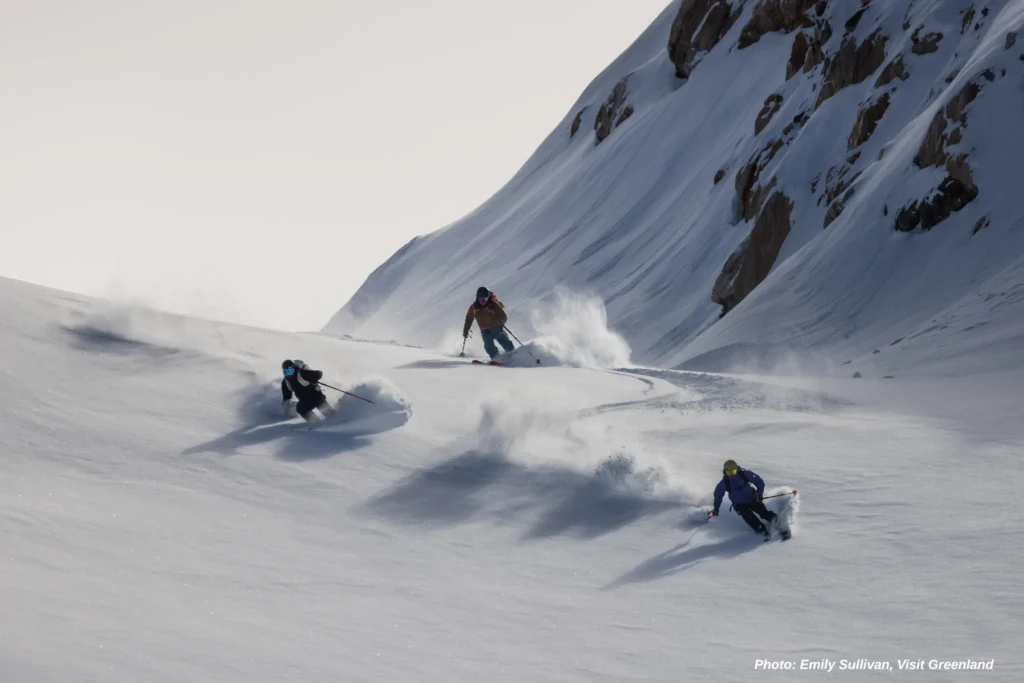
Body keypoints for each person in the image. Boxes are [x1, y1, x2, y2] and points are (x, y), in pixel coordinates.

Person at [708, 459, 779, 540]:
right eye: (729, 473)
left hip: (752, 499)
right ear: (725, 472)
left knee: (763, 512)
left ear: (737, 469)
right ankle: (762, 532)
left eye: (733, 472)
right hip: (739, 505)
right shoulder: (724, 482)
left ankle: (778, 522)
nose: (732, 475)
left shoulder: (744, 474)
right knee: (750, 519)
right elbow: (718, 495)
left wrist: (760, 494)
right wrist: (716, 508)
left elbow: (759, 481)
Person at [463, 286, 514, 359]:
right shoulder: (474, 307)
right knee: (488, 344)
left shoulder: (493, 304)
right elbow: (468, 319)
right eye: (481, 299)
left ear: (488, 297)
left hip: (495, 327)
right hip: (484, 330)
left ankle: (512, 353)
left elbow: (503, 316)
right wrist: (466, 330)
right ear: (477, 298)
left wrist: (500, 322)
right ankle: (496, 357)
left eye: (485, 298)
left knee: (503, 340)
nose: (483, 301)